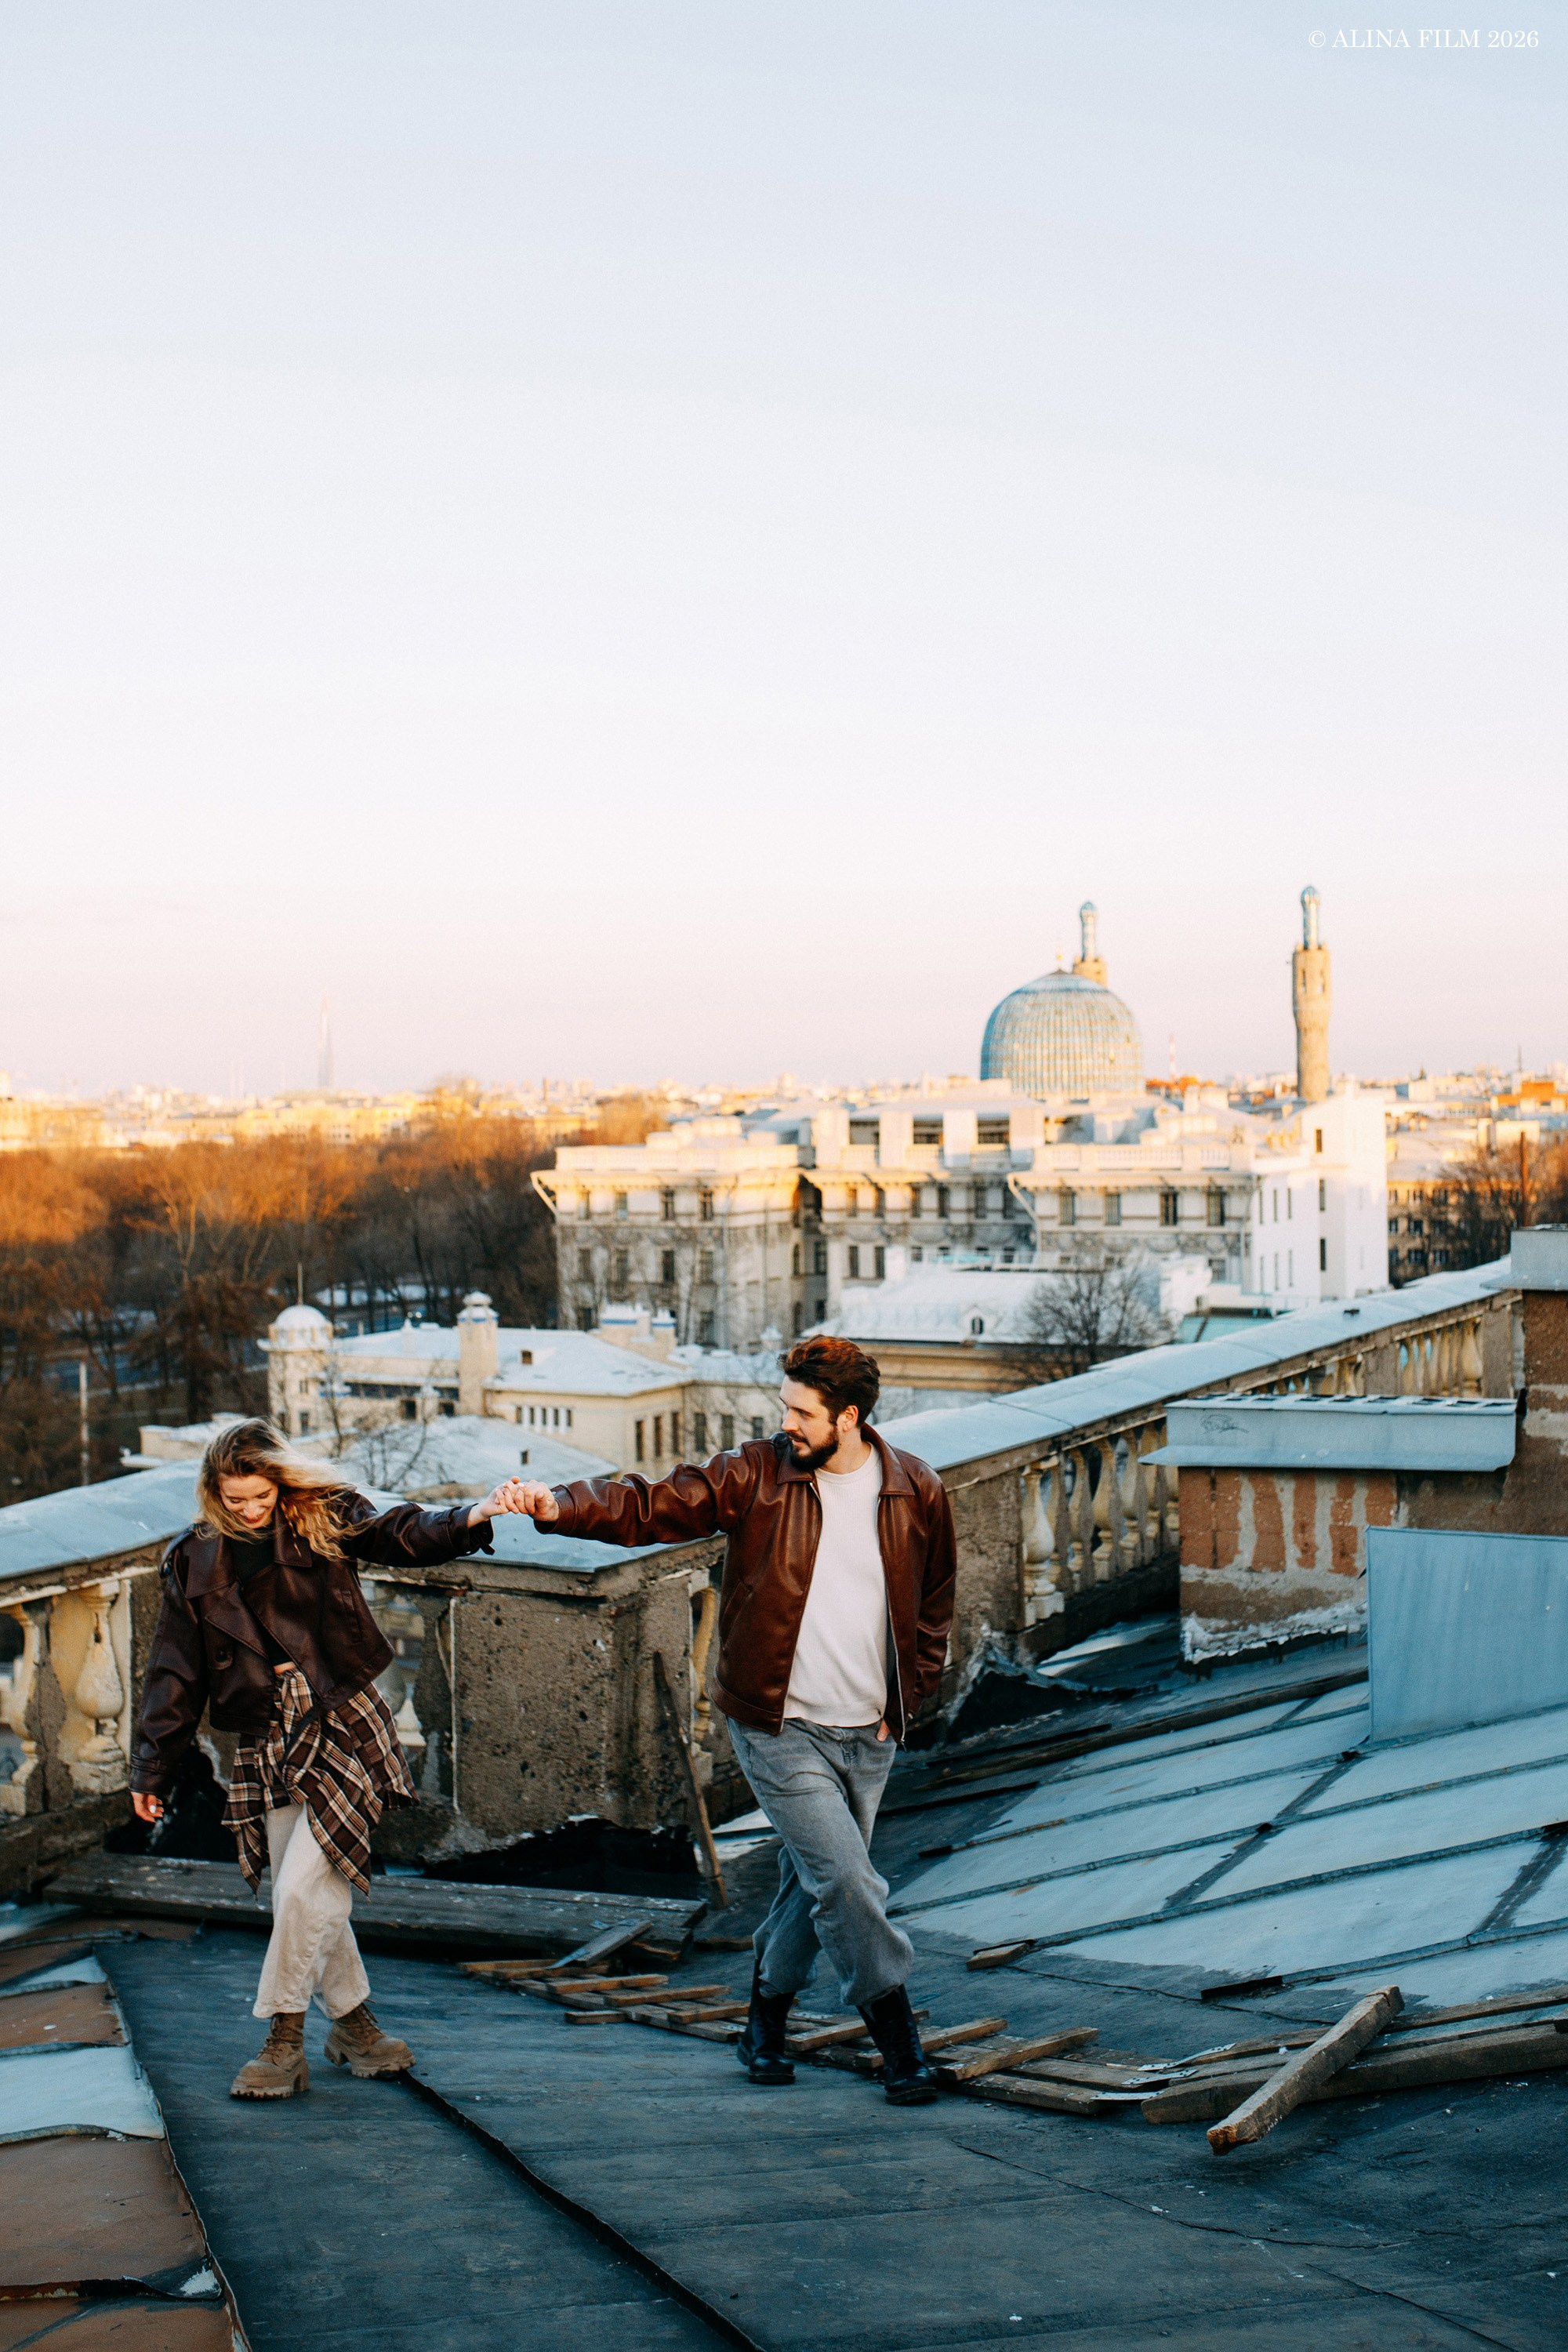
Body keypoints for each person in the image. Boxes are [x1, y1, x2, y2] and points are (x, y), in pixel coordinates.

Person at [514, 1334, 956, 2104]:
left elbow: (934, 1602)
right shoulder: (756, 1474)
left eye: (801, 1412)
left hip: (866, 1733)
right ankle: (898, 2042)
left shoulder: (913, 1490)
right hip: (775, 1723)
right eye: (783, 1406)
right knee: (848, 1883)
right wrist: (559, 1506)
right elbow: (652, 1504)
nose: (785, 1422)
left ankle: (763, 2020)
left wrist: (906, 1698)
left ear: (848, 1417)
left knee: (809, 1885)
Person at [129, 1417, 532, 2100]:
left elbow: (402, 1533)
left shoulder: (324, 1516)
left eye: (260, 1496)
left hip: (339, 1711)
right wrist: (152, 1769)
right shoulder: (191, 1561)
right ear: (213, 1492)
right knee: (307, 1896)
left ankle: (282, 2040)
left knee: (299, 1890)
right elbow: (174, 1671)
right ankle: (355, 2026)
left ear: (281, 1482)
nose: (250, 1510)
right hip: (265, 1730)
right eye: (236, 1500)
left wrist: (477, 1513)